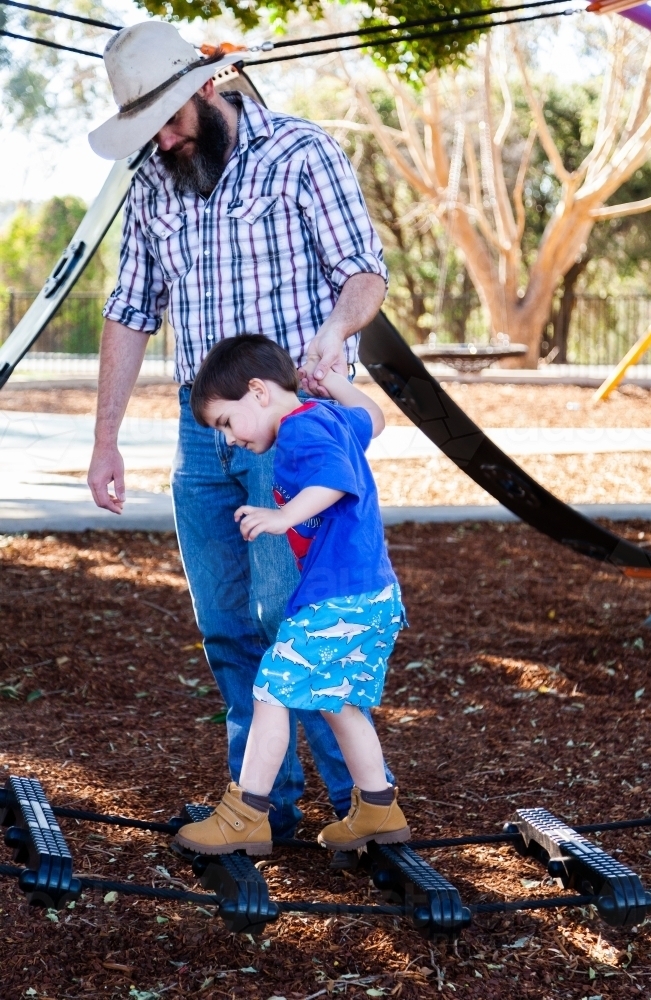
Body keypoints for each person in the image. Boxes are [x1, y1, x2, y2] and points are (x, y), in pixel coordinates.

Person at [86, 21, 391, 837]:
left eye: (171, 120)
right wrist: (105, 438)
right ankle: (262, 806)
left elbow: (362, 269)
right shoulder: (155, 179)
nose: (164, 140)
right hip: (204, 433)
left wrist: (334, 333)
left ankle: (356, 805)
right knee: (225, 623)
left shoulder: (299, 152)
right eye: (147, 128)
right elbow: (128, 309)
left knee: (302, 622)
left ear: (205, 89)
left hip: (294, 429)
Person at [174, 335, 409, 855]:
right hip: (372, 594)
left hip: (335, 599)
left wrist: (281, 516)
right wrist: (341, 385)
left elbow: (334, 479)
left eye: (226, 423)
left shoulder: (301, 428)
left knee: (270, 691)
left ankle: (246, 815)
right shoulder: (328, 416)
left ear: (257, 391)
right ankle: (378, 808)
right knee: (338, 702)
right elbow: (376, 418)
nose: (229, 439)